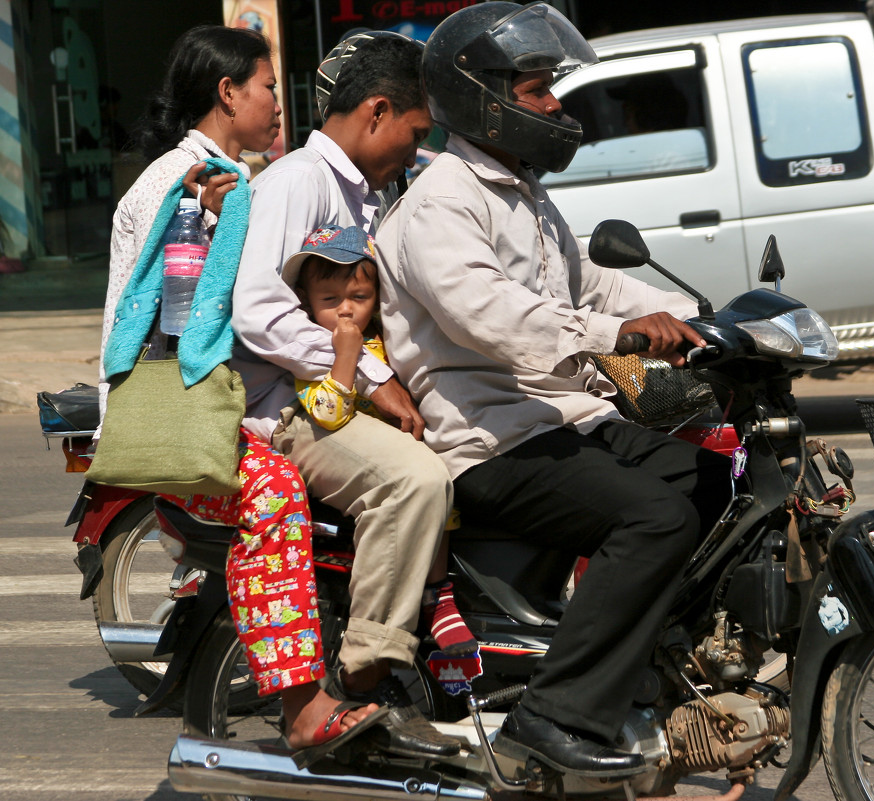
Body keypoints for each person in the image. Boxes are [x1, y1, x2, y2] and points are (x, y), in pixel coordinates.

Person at [374, 1, 738, 785]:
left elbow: (591, 282)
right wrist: (622, 337)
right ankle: (557, 713)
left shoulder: (521, 192)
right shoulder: (443, 202)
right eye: (538, 90)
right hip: (491, 439)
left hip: (561, 417)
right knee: (656, 515)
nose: (555, 107)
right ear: (482, 96)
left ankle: (645, 661)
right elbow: (490, 315)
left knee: (716, 478)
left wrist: (695, 317)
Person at [99, 25, 378, 765]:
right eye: (266, 88)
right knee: (276, 492)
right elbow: (154, 308)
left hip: (215, 399)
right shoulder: (181, 183)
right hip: (182, 413)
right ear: (228, 93)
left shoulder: (231, 175)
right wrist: (203, 219)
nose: (279, 106)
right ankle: (300, 705)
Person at [230, 31, 459, 759]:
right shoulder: (298, 181)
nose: (415, 151)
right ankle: (369, 667)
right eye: (414, 134)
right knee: (416, 480)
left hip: (335, 391)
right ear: (377, 111)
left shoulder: (363, 193)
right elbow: (257, 310)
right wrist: (366, 374)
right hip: (288, 406)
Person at [282, 223, 477, 656]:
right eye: (330, 301)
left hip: (405, 437)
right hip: (354, 451)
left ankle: (439, 592)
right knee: (420, 482)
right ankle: (398, 620)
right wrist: (347, 357)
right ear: (307, 303)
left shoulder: (387, 339)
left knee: (444, 488)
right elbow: (328, 414)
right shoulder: (312, 351)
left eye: (359, 298)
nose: (346, 311)